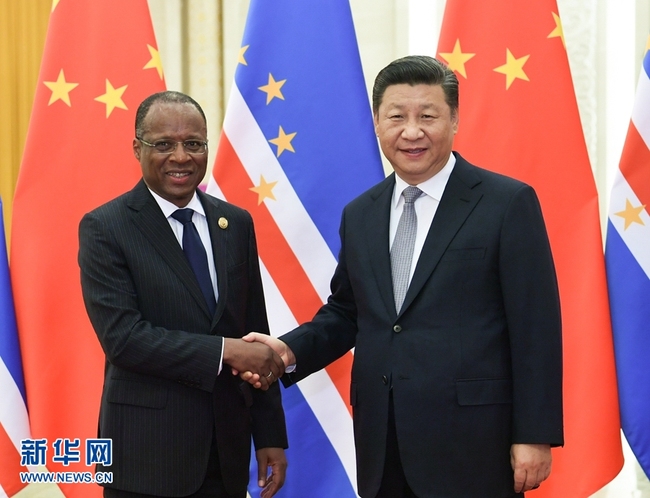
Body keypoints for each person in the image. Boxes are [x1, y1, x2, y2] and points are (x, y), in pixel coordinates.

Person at [241, 56, 563, 498]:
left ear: (454, 120)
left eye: (427, 116)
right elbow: (348, 312)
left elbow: (536, 328)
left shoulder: (506, 203)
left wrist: (534, 434)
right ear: (376, 123)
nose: (412, 132)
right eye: (397, 117)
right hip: (383, 438)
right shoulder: (362, 213)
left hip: (474, 444)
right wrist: (286, 350)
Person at [78, 91, 287, 498]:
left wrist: (269, 435)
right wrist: (224, 352)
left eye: (193, 143)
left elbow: (255, 335)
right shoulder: (106, 227)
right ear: (137, 148)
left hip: (224, 453)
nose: (180, 156)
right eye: (164, 144)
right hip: (146, 459)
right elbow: (124, 339)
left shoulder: (235, 223)